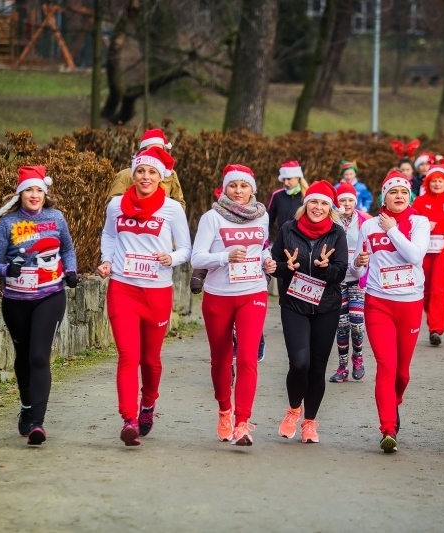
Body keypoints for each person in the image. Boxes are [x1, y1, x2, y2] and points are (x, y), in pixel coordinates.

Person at [97, 145, 191, 446]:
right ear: (133, 174)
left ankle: (148, 404)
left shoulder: (172, 209)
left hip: (157, 291)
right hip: (123, 287)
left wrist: (171, 258)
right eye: (141, 171)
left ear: (161, 177)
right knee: (128, 355)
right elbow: (110, 235)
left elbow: (185, 249)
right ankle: (129, 419)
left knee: (150, 359)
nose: (145, 176)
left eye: (152, 172)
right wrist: (107, 259)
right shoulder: (116, 205)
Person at [0, 165, 78, 446]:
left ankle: (37, 422)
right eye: (29, 190)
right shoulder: (8, 224)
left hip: (50, 295)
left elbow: (67, 249)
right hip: (16, 301)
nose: (34, 195)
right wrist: (5, 270)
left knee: (39, 356)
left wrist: (71, 270)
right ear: (20, 194)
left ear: (45, 193)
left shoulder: (56, 218)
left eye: (39, 190)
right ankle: (26, 407)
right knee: (23, 357)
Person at [191, 165, 275, 446]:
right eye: (233, 186)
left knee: (248, 358)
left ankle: (242, 422)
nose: (238, 191)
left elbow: (262, 247)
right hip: (218, 295)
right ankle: (224, 410)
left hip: (253, 291)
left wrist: (267, 260)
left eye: (243, 186)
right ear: (224, 189)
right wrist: (224, 256)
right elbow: (197, 258)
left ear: (253, 189)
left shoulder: (261, 217)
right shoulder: (212, 218)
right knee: (221, 360)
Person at [351, 170, 430, 453]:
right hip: (379, 303)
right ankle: (387, 428)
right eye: (393, 192)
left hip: (410, 303)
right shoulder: (369, 226)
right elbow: (358, 268)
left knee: (402, 373)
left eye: (403, 192)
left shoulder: (420, 222)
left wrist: (393, 229)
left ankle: (394, 403)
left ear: (409, 196)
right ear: (384, 196)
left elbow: (416, 256)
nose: (398, 196)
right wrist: (359, 263)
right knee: (386, 365)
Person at [272, 181, 348, 444]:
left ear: (330, 208)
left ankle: (310, 422)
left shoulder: (337, 233)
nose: (318, 207)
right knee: (299, 363)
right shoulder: (288, 229)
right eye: (314, 202)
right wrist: (286, 267)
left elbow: (340, 272)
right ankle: (294, 409)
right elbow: (274, 266)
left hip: (326, 306)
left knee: (317, 367)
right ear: (306, 204)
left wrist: (326, 268)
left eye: (324, 203)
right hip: (294, 303)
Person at [411, 165, 444, 345]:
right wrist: (424, 225)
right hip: (423, 248)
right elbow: (410, 223)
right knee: (425, 289)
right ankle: (431, 319)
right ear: (428, 183)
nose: (437, 184)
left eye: (440, 181)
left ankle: (436, 329)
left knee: (439, 289)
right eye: (433, 181)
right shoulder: (419, 201)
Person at [329, 181, 370, 383]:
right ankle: (342, 366)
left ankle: (358, 359)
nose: (346, 204)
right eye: (342, 200)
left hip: (357, 279)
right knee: (342, 325)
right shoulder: (331, 221)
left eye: (350, 200)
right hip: (337, 281)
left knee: (357, 323)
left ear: (355, 202)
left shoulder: (364, 220)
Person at [106, 128, 186, 210]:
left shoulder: (171, 174)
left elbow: (179, 203)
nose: (155, 154)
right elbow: (111, 205)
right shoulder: (125, 175)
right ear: (142, 151)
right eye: (152, 150)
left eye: (160, 151)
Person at [267, 160, 309, 238]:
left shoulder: (307, 195)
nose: (286, 183)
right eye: (284, 179)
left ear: (298, 178)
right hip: (283, 239)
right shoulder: (277, 195)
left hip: (303, 239)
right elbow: (268, 221)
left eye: (289, 179)